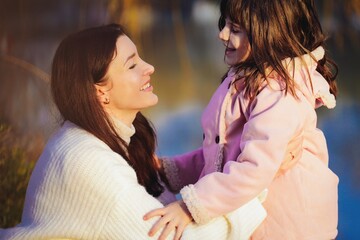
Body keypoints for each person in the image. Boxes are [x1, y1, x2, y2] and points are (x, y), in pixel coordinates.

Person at [0, 23, 268, 240]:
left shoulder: (98, 139)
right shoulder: (90, 162)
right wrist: (257, 184)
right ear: (100, 91)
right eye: (132, 65)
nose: (149, 68)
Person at [145, 0, 339, 239]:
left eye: (235, 29)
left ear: (269, 34)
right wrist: (168, 170)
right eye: (224, 24)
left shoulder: (281, 91)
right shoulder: (246, 78)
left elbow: (253, 168)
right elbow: (221, 154)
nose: (222, 34)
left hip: (290, 225)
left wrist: (190, 207)